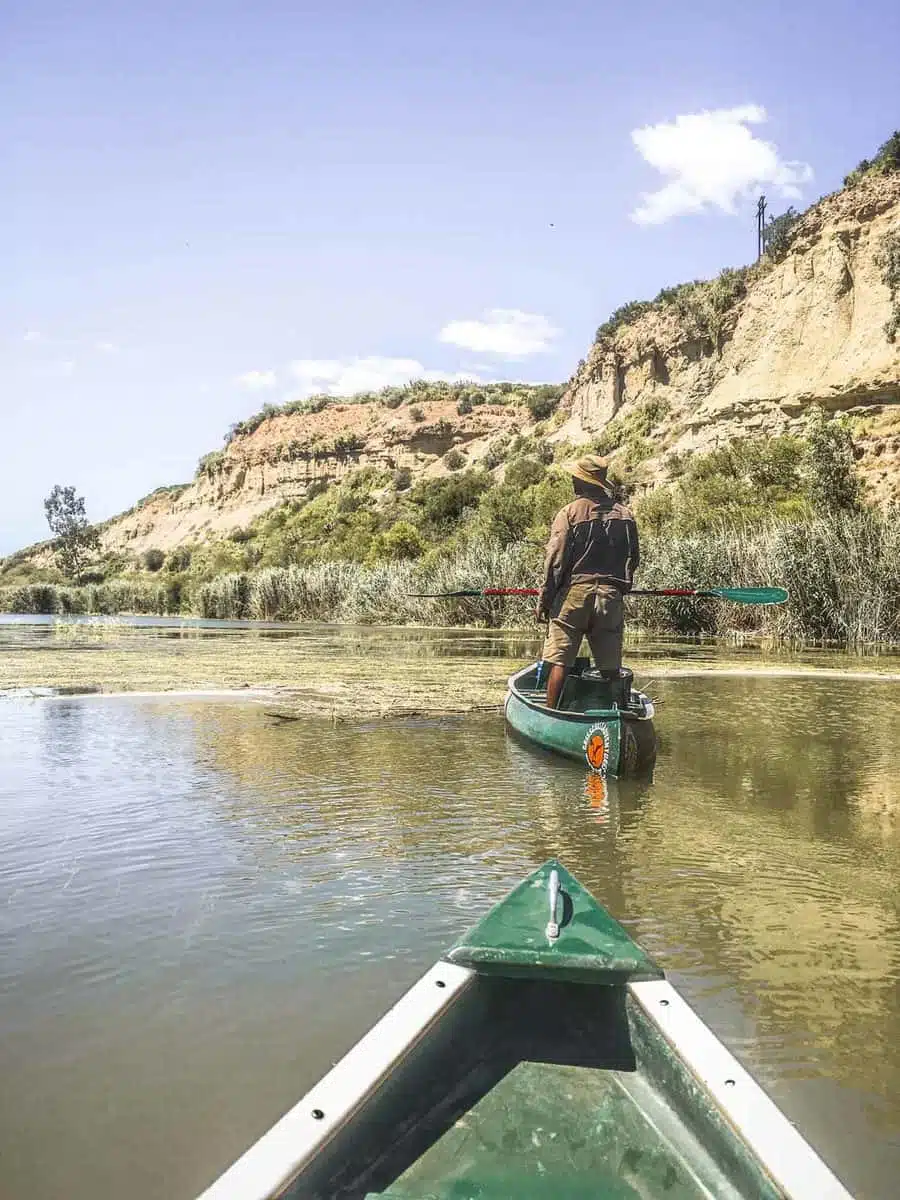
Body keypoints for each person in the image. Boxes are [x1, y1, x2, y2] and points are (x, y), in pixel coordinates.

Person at [536, 454, 639, 709]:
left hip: (573, 596)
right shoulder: (625, 515)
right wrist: (621, 587)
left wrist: (545, 600)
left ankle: (551, 715)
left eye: (575, 477)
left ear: (583, 482)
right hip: (610, 597)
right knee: (610, 668)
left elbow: (555, 561)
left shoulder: (568, 513)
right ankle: (618, 715)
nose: (572, 480)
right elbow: (633, 557)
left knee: (561, 661)